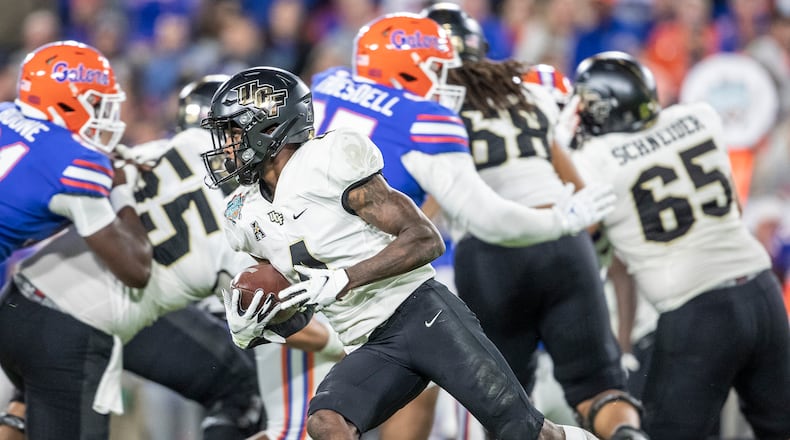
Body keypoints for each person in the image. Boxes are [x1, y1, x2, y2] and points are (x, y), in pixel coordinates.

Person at [200, 64, 598, 440]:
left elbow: (424, 238)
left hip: (424, 315)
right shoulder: (243, 211)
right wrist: (260, 325)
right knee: (326, 422)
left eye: (234, 131)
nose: (227, 145)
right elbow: (301, 300)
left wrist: (345, 278)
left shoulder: (326, 162)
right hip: (367, 342)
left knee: (522, 431)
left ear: (271, 127)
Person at [423, 4, 647, 440]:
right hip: (563, 236)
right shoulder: (524, 85)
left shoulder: (429, 105)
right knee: (600, 388)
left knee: (507, 406)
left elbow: (432, 198)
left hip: (491, 254)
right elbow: (568, 174)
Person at [0, 75, 266, 440]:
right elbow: (135, 269)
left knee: (32, 394)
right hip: (95, 319)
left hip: (24, 297)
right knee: (242, 387)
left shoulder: (141, 154)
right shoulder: (251, 217)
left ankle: (18, 411)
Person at [567, 50, 790, 440]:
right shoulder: (699, 117)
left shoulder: (595, 159)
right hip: (761, 292)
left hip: (696, 310)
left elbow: (577, 226)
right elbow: (733, 206)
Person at [0, 40, 152, 289]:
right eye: (96, 104)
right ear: (65, 101)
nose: (103, 114)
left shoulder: (5, 111)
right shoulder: (74, 164)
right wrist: (121, 189)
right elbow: (136, 270)